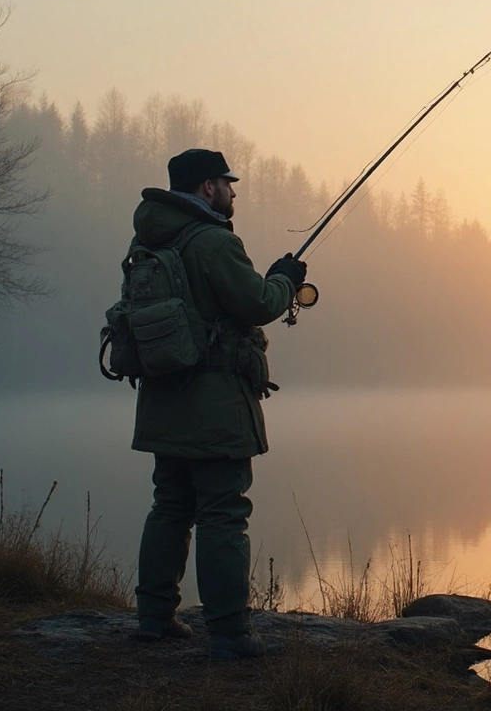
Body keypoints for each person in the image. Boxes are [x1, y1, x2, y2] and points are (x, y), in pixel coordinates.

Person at [130, 148, 306, 659]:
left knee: (169, 507)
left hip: (164, 400)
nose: (234, 192)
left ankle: (153, 620)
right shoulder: (211, 241)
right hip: (214, 406)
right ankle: (230, 635)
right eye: (227, 183)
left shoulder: (149, 239)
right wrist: (284, 279)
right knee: (223, 513)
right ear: (207, 188)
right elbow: (258, 303)